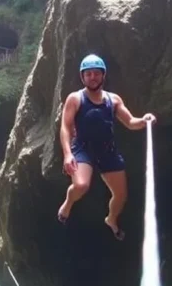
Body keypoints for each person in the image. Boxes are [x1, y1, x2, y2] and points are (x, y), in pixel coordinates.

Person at [56, 53, 155, 240]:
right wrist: (68, 154)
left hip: (107, 150)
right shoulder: (75, 99)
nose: (92, 77)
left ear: (103, 75)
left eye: (96, 73)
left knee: (121, 195)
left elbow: (131, 122)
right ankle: (68, 203)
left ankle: (111, 219)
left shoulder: (113, 100)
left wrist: (144, 120)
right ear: (82, 77)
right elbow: (65, 127)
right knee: (81, 185)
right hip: (83, 149)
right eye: (88, 74)